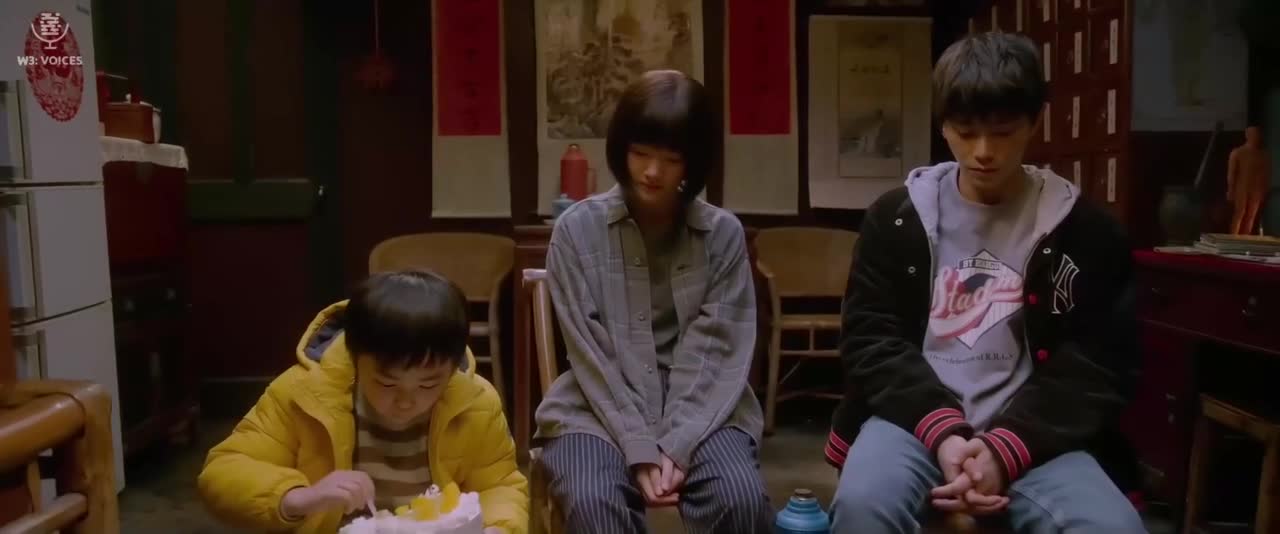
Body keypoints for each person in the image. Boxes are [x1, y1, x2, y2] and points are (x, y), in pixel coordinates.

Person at [825, 32, 1146, 533]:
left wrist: (1004, 449)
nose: (983, 152)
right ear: (942, 125)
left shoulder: (1085, 231)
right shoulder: (896, 219)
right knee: (862, 505)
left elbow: (1099, 363)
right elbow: (870, 339)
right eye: (965, 131)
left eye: (1003, 132)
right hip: (913, 421)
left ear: (1035, 121)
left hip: (1036, 434)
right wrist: (944, 433)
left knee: (1112, 528)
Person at [534, 69, 772, 534]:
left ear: (694, 164)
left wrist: (676, 445)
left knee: (740, 499)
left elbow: (717, 350)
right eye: (641, 153)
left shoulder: (722, 235)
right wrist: (638, 445)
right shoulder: (576, 231)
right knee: (592, 503)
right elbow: (591, 355)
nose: (652, 172)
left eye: (671, 159)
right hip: (596, 405)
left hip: (703, 406)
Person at [197, 270, 528, 533]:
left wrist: (496, 528)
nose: (406, 402)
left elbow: (500, 486)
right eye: (387, 383)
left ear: (452, 368)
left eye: (428, 384)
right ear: (355, 358)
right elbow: (222, 472)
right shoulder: (305, 392)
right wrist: (299, 497)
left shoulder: (474, 402)